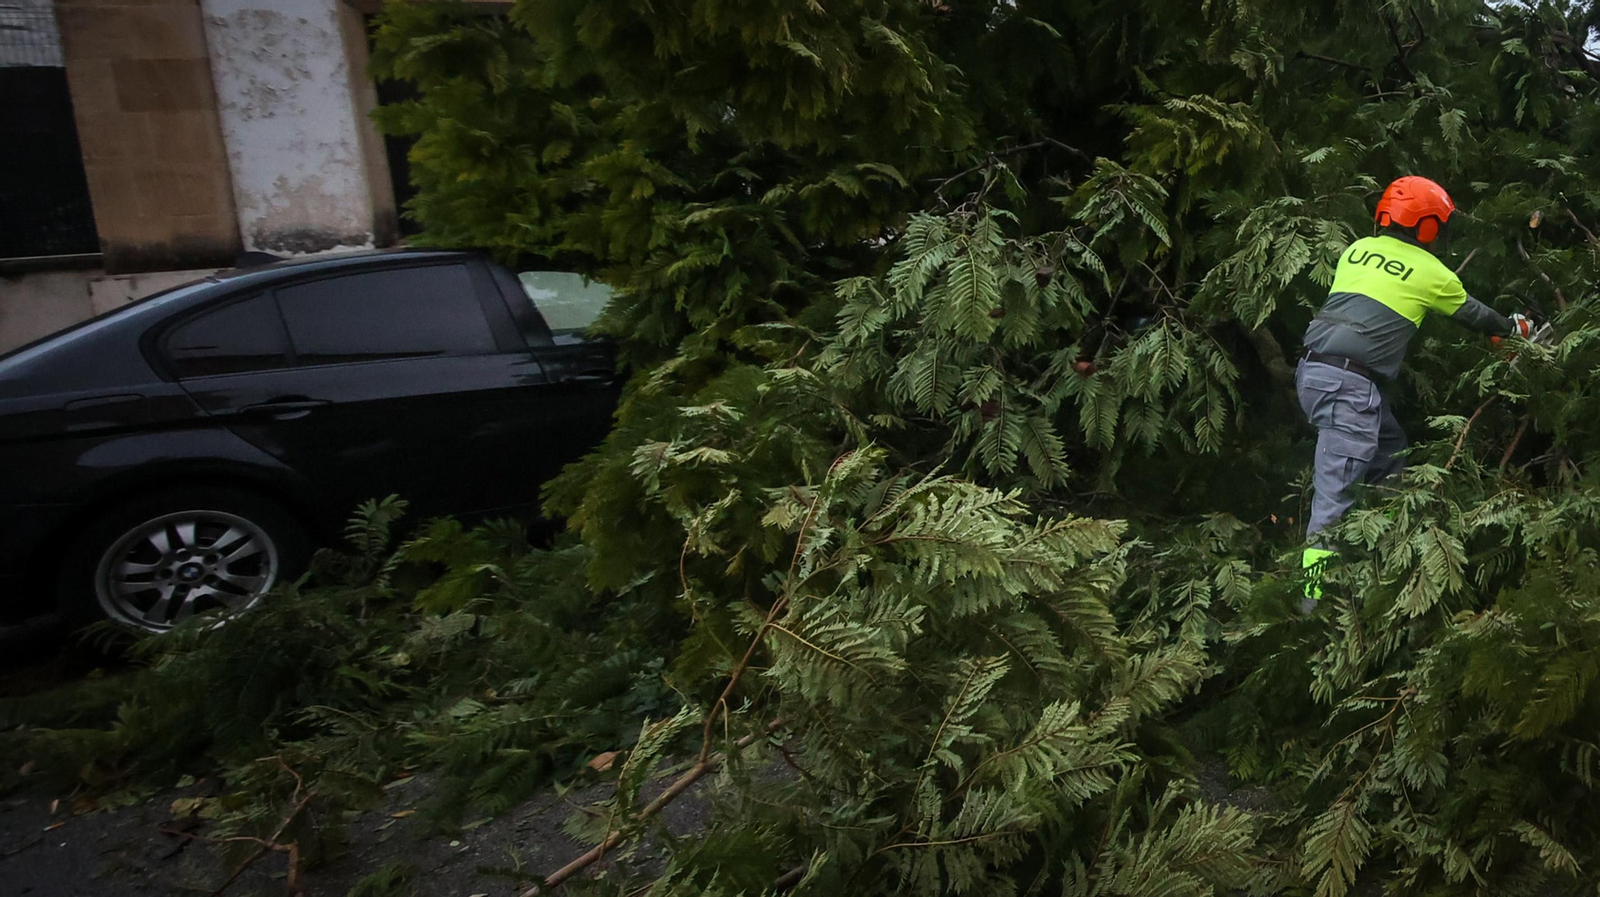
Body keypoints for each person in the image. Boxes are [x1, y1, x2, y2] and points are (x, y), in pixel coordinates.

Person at [1296, 176, 1532, 607]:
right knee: (1332, 502)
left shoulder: (1356, 251)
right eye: (1437, 226)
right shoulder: (1430, 272)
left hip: (1314, 374)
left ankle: (1384, 549)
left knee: (1390, 449)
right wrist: (1514, 329)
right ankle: (1314, 606)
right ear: (1425, 226)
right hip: (1350, 388)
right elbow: (1476, 316)